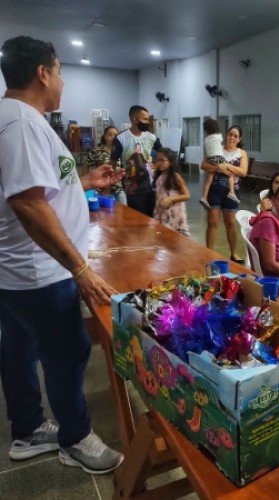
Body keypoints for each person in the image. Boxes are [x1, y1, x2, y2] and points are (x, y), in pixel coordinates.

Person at [0, 36, 124, 474]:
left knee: (18, 349)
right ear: (43, 73)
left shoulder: (18, 119)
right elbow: (28, 204)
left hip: (18, 271)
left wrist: (85, 182)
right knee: (68, 351)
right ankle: (75, 439)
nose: (63, 81)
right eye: (61, 71)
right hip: (40, 271)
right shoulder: (21, 123)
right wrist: (79, 267)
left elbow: (41, 189)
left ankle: (28, 429)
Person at [201, 125, 248, 263]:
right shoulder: (217, 150)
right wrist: (219, 168)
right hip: (215, 190)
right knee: (212, 222)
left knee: (231, 223)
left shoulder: (242, 153)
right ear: (226, 135)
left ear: (239, 139)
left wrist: (227, 166)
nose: (232, 138)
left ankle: (234, 253)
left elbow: (243, 172)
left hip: (232, 192)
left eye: (235, 136)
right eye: (230, 134)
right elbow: (203, 165)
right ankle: (209, 251)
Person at [110, 105, 162, 217]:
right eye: (145, 119)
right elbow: (112, 164)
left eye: (148, 119)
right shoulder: (121, 139)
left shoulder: (152, 137)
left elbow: (165, 155)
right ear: (134, 119)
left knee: (153, 221)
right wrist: (108, 188)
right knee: (139, 220)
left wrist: (157, 166)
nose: (148, 122)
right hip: (133, 190)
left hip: (152, 187)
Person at [199, 118, 239, 209]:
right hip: (218, 158)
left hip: (210, 158)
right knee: (230, 174)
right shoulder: (218, 136)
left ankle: (204, 197)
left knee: (209, 179)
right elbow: (220, 142)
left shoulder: (206, 139)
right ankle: (232, 192)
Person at [152, 148, 191, 236]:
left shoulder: (175, 176)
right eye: (157, 160)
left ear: (171, 162)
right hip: (162, 213)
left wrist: (171, 199)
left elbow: (187, 195)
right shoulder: (159, 175)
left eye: (162, 160)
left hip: (174, 215)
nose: (159, 163)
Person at [86, 126, 126, 205]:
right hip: (100, 191)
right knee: (104, 215)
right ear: (105, 136)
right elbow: (86, 168)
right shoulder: (96, 151)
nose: (112, 137)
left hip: (118, 189)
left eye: (115, 135)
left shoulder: (121, 152)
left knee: (124, 214)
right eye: (109, 135)